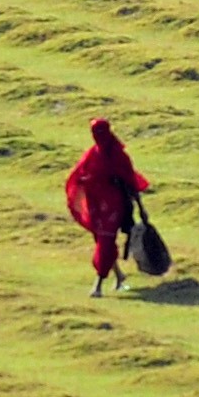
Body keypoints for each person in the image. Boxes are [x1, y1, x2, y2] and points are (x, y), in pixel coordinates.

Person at [64, 117, 148, 295]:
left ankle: (98, 285)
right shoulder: (92, 153)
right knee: (101, 240)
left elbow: (130, 180)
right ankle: (118, 276)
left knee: (105, 242)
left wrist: (141, 207)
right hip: (95, 204)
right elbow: (81, 172)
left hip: (113, 205)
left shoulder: (118, 155)